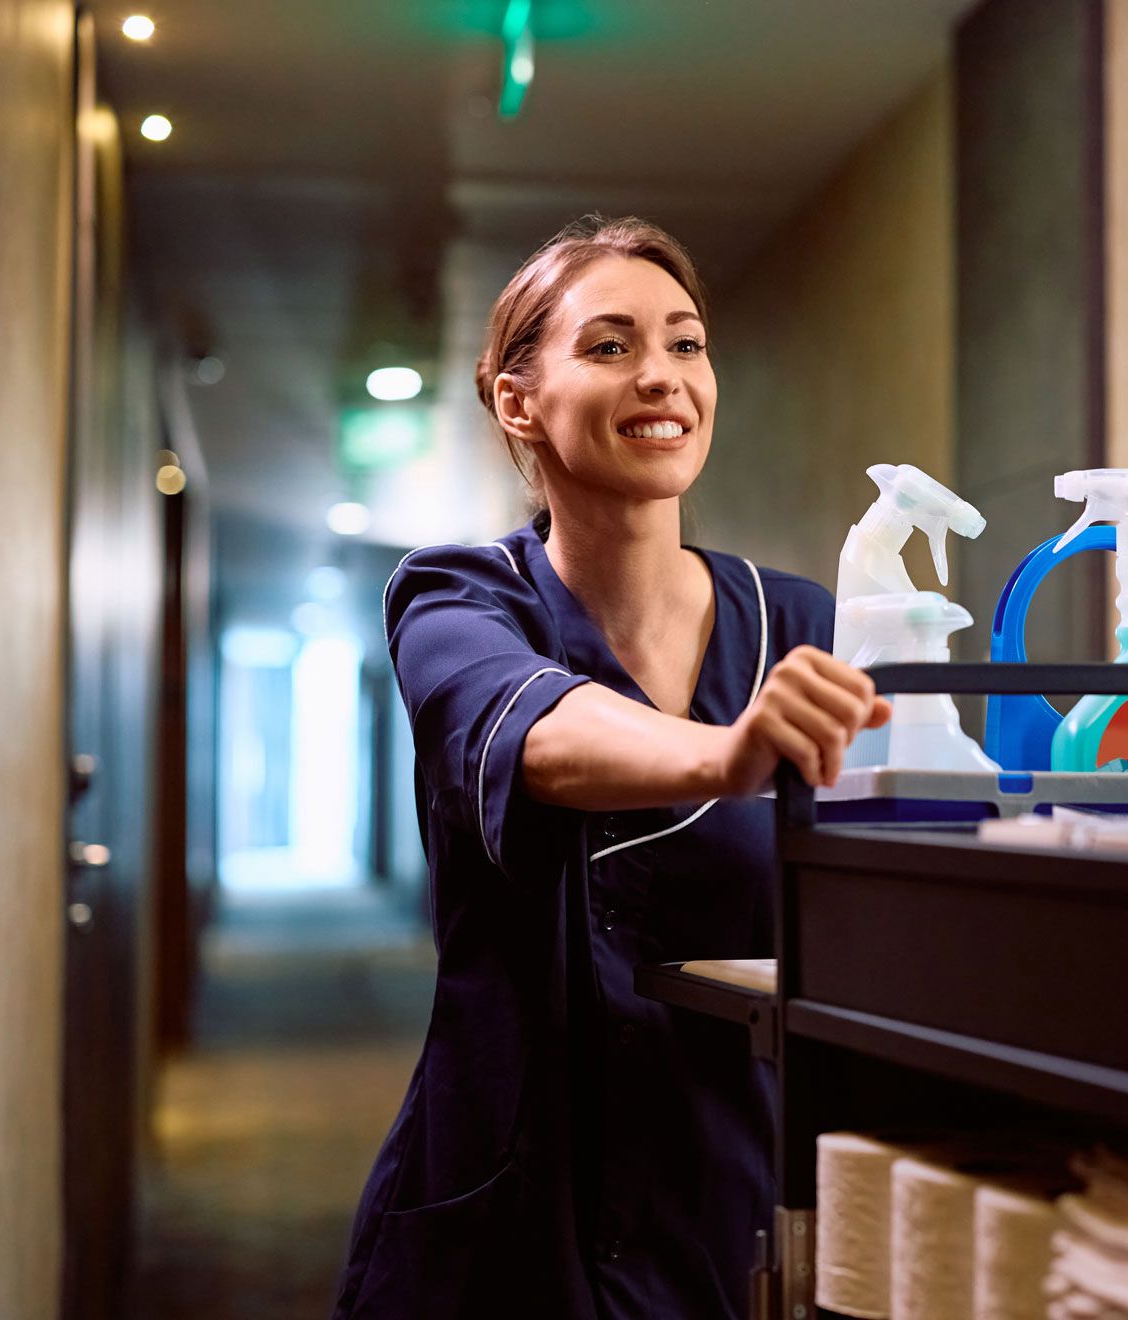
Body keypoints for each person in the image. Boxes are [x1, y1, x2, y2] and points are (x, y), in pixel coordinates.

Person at [332, 215, 889, 1319]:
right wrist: (727, 753)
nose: (662, 376)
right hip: (508, 1215)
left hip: (729, 1200)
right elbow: (536, 736)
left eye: (686, 343)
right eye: (609, 346)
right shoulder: (456, 599)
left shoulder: (802, 624)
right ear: (518, 401)